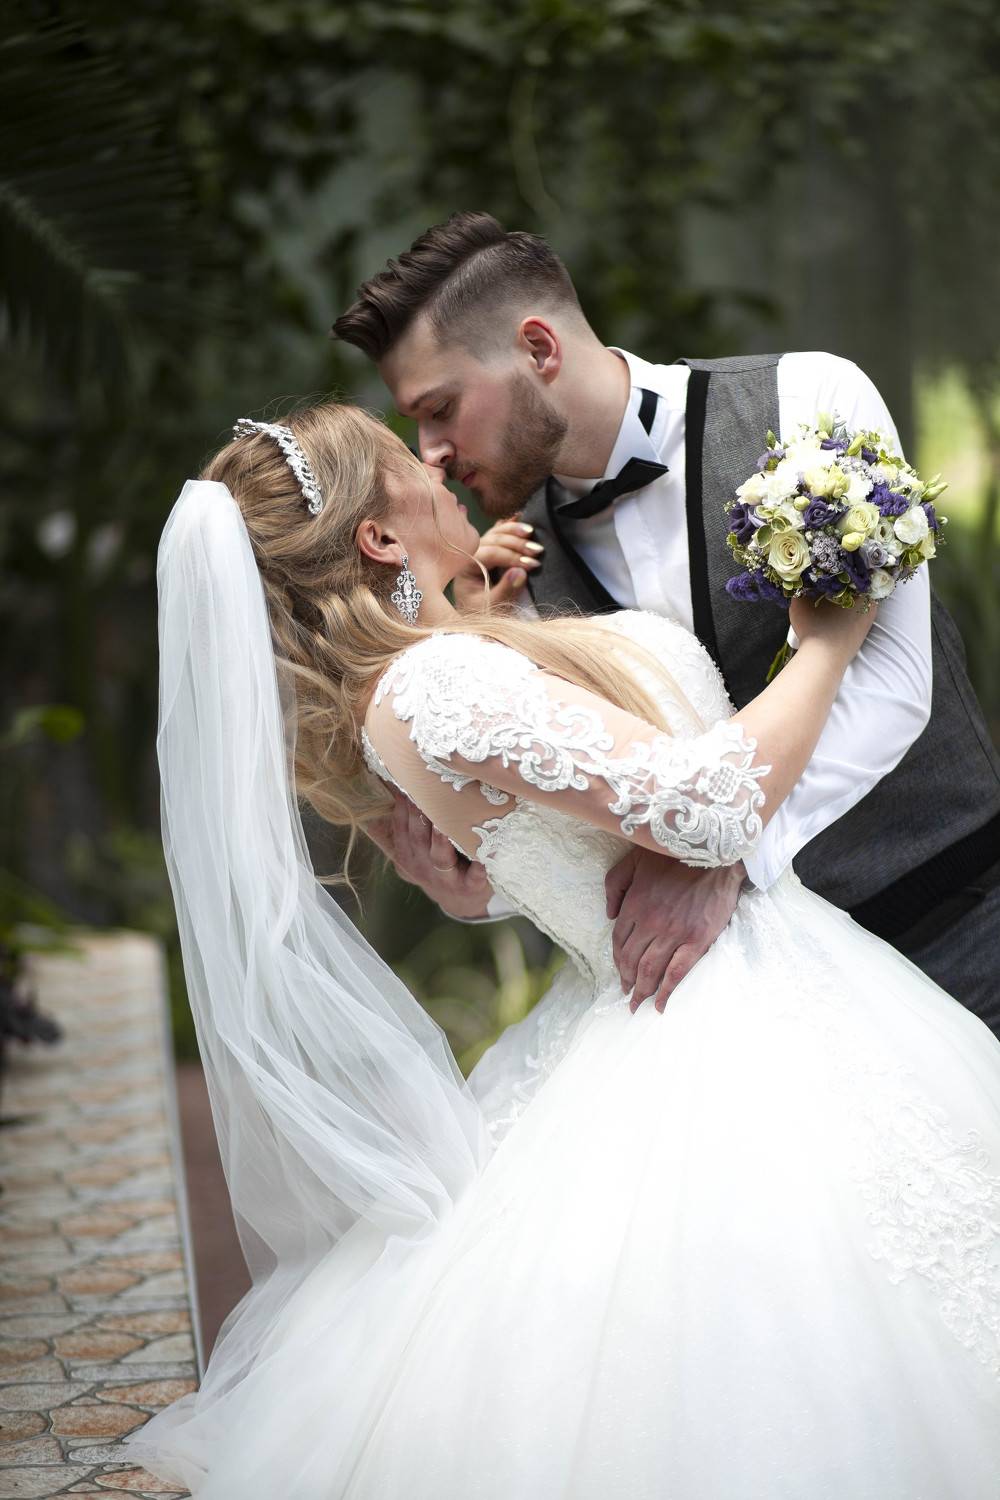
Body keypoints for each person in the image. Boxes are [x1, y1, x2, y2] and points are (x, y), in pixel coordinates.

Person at [126, 402, 1000, 1498]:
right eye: (405, 460)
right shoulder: (437, 687)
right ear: (379, 537)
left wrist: (495, 623)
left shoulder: (446, 663)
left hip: (737, 982)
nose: (436, 467)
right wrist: (826, 639)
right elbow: (707, 807)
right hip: (716, 1018)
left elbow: (540, 858)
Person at [332, 212, 1000, 1034]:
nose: (429, 451)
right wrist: (473, 888)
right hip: (770, 1012)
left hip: (960, 920)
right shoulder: (517, 574)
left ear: (538, 349)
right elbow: (590, 822)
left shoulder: (807, 399)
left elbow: (896, 679)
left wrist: (729, 854)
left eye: (440, 408)